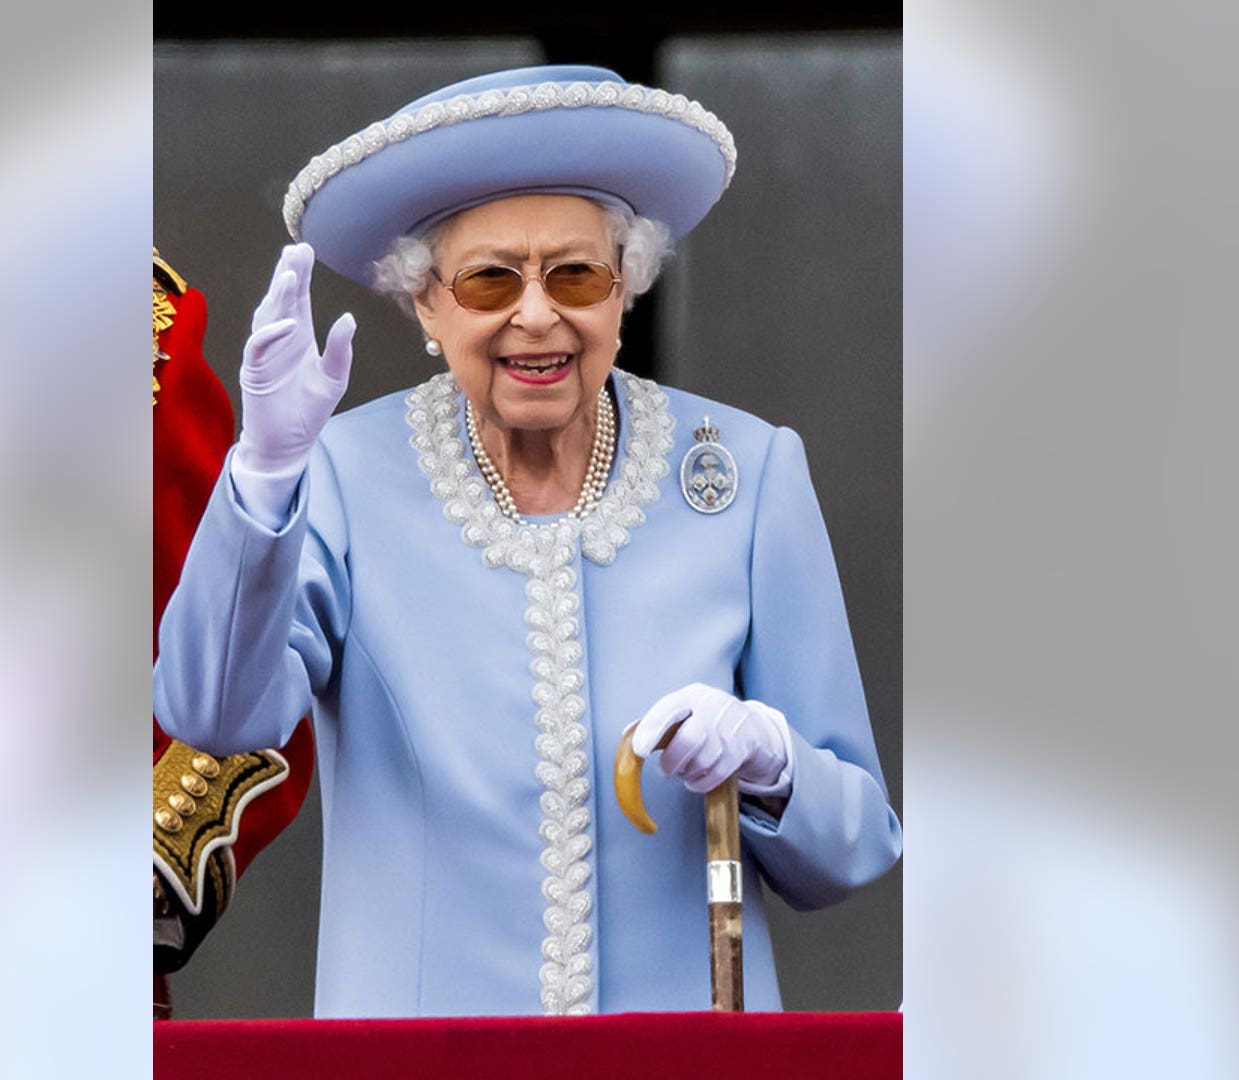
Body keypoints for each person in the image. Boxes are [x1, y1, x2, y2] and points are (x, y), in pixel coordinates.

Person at [153, 64, 902, 1018]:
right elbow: (215, 714)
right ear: (425, 303)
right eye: (489, 279)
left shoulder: (748, 473)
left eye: (576, 273)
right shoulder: (340, 475)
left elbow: (853, 849)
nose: (537, 315)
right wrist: (262, 474)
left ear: (624, 288)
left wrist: (774, 762)